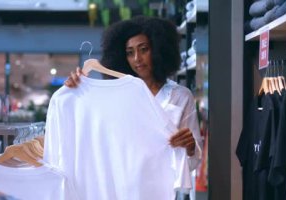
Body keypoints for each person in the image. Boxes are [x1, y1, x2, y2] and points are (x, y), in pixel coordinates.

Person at [65, 16, 202, 171]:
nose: (137, 58)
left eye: (144, 50)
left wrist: (190, 148)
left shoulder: (181, 96)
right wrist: (75, 90)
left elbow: (194, 163)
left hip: (163, 190)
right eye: (130, 53)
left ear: (158, 50)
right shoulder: (116, 96)